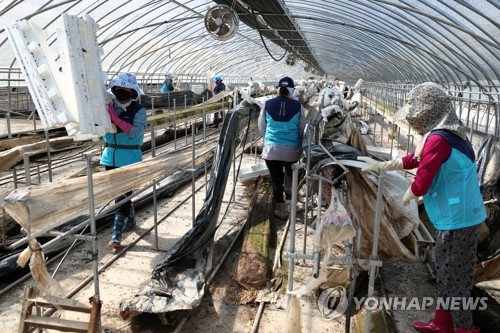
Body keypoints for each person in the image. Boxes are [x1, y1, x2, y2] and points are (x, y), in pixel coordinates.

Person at [358, 82, 486, 333]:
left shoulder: (439, 138)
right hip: (458, 216)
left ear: (428, 112)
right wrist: (385, 164)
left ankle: (464, 328)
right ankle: (442, 322)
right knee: (447, 272)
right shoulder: (447, 133)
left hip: (458, 219)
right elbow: (418, 159)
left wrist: (407, 196)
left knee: (455, 279)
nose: (413, 121)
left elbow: (422, 180)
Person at [101, 72, 148, 248]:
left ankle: (116, 235)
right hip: (110, 156)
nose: (121, 92)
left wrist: (116, 119)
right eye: (118, 89)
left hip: (129, 157)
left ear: (133, 91)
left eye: (125, 89)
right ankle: (131, 222)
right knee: (119, 194)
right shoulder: (107, 107)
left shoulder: (139, 111)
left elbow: (136, 132)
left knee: (123, 194)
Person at [258, 76, 306, 219]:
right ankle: (292, 200)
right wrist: (296, 142)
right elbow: (301, 128)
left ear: (277, 89)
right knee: (291, 174)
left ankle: (281, 211)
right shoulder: (298, 106)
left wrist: (269, 140)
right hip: (292, 150)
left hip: (272, 150)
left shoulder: (267, 104)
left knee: (276, 180)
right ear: (292, 91)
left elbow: (262, 126)